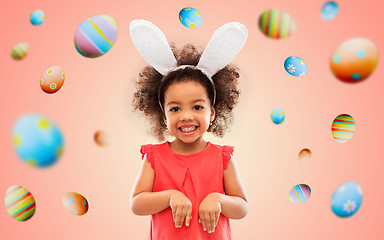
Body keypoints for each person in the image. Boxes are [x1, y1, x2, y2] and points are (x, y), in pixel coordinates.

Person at [129, 20, 248, 240]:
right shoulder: (154, 157)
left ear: (211, 113)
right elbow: (137, 204)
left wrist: (219, 199)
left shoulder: (222, 157)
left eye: (197, 107)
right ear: (164, 117)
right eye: (175, 108)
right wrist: (169, 196)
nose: (186, 116)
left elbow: (242, 207)